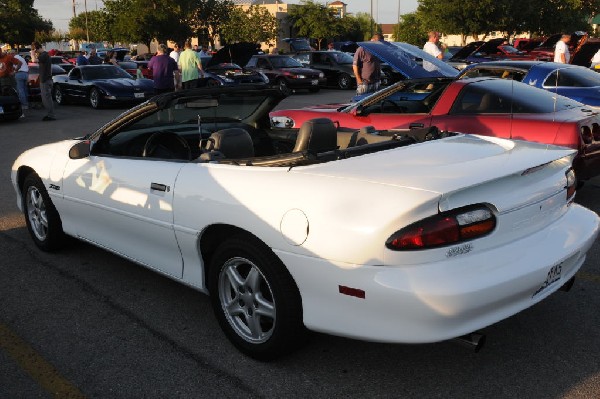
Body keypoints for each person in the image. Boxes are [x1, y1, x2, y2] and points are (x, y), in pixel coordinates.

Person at [31, 42, 55, 121]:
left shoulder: (44, 55)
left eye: (36, 51)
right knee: (47, 98)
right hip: (47, 79)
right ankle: (50, 114)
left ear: (37, 49)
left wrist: (32, 53)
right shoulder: (45, 55)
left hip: (45, 80)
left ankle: (50, 115)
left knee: (46, 98)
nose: (36, 53)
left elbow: (34, 60)